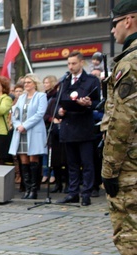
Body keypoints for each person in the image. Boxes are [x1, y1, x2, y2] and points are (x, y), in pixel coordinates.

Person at [102, 0, 137, 255]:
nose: (112, 30)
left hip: (130, 167)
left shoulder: (130, 63)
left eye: (114, 23)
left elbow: (122, 122)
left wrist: (110, 170)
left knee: (130, 234)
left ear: (129, 20)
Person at [56, 51, 101, 206]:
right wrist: (59, 112)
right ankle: (73, 192)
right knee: (72, 163)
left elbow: (99, 103)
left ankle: (86, 193)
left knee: (87, 163)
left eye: (73, 63)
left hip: (84, 127)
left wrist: (88, 104)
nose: (71, 66)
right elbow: (57, 103)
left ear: (81, 63)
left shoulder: (91, 81)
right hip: (68, 127)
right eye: (68, 64)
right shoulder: (65, 81)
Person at [8, 74, 48, 200]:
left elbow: (40, 113)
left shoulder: (41, 96)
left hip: (33, 130)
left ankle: (34, 189)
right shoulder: (21, 97)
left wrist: (25, 125)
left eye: (29, 82)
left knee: (33, 159)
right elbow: (15, 114)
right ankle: (27, 187)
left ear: (35, 84)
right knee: (23, 160)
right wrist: (18, 125)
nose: (26, 85)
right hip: (21, 131)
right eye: (25, 82)